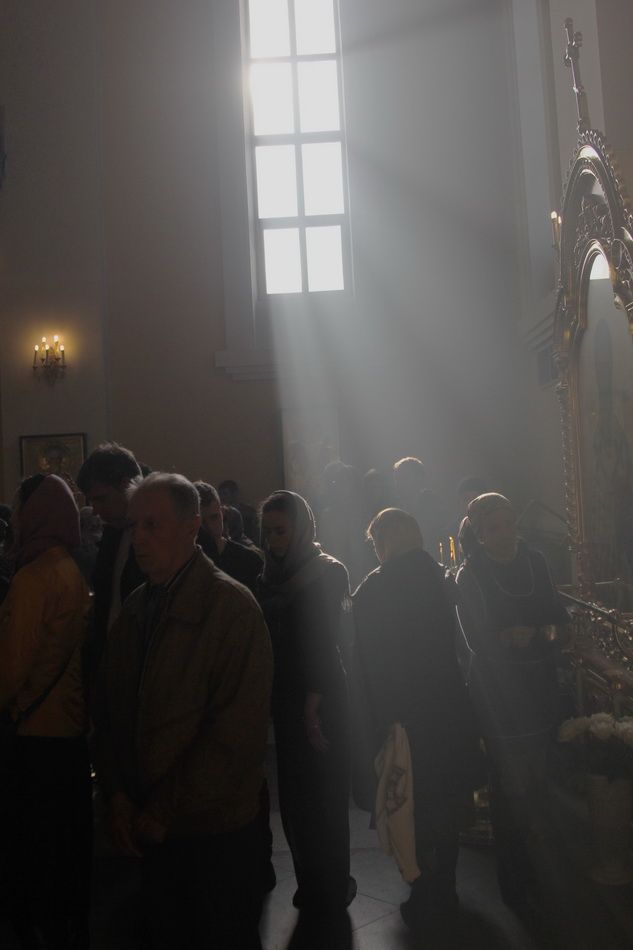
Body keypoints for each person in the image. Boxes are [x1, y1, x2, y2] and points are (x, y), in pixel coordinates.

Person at [93, 473, 272, 949]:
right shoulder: (137, 607)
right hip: (147, 828)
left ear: (192, 527)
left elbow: (235, 732)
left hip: (210, 832)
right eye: (134, 526)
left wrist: (163, 808)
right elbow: (109, 709)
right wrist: (117, 796)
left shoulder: (230, 608)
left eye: (152, 525)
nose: (139, 538)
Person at [353, 508, 478, 933]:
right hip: (449, 707)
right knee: (448, 798)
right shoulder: (444, 578)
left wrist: (376, 720)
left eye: (376, 543)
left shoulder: (374, 588)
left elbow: (366, 661)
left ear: (384, 541)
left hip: (404, 714)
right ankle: (447, 886)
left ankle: (423, 889)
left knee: (412, 803)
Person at [456, 492, 569, 909]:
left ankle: (543, 867)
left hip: (537, 683)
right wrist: (505, 638)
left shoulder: (535, 562)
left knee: (539, 779)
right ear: (480, 534)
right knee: (509, 784)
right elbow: (473, 636)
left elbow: (558, 617)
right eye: (494, 527)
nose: (505, 533)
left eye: (509, 524)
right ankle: (514, 876)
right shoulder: (471, 573)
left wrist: (541, 634)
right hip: (499, 691)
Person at [0, 474, 92, 948]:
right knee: (64, 839)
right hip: (67, 724)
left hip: (35, 730)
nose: (15, 517)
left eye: (20, 506)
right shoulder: (69, 568)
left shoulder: (34, 578)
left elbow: (11, 668)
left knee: (36, 839)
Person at [257, 490, 356, 914]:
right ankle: (310, 881)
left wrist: (314, 702)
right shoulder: (269, 574)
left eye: (280, 531)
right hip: (287, 694)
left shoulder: (327, 571)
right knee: (296, 797)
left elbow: (328, 640)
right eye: (267, 531)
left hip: (322, 694)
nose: (272, 540)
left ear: (300, 529)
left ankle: (331, 883)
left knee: (325, 794)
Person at [76, 442, 145, 691]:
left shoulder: (160, 535)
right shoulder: (112, 533)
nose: (95, 510)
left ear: (126, 484)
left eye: (101, 498)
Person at [194, 482, 263, 595]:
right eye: (202, 522)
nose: (210, 527)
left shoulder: (250, 560)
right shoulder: (184, 564)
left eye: (214, 517)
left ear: (222, 513)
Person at [393, 457, 448, 558]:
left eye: (404, 477)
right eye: (397, 478)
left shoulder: (433, 505)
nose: (398, 483)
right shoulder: (396, 509)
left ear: (419, 478)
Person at [218, 479, 259, 543]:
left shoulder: (249, 512)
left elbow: (256, 534)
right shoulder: (221, 513)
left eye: (225, 493)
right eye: (220, 494)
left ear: (235, 494)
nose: (222, 497)